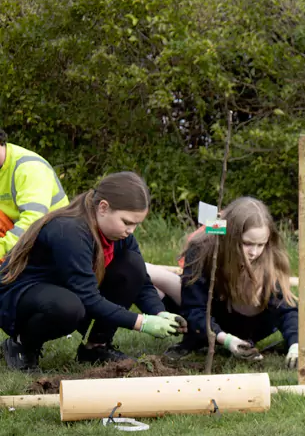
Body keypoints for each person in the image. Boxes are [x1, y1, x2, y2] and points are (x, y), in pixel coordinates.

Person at [0, 171, 185, 371]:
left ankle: (96, 348)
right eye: (127, 222)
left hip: (64, 289)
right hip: (21, 295)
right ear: (103, 207)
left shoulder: (118, 234)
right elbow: (88, 297)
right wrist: (141, 322)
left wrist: (159, 312)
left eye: (136, 224)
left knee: (131, 266)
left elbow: (142, 281)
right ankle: (22, 345)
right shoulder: (71, 232)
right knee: (69, 308)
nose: (131, 231)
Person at [166, 197, 298, 367]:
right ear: (231, 237)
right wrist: (226, 340)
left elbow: (286, 307)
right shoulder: (202, 250)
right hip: (213, 316)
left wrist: (295, 344)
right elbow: (195, 308)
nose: (254, 252)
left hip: (252, 325)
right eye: (247, 243)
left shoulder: (269, 257)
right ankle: (199, 339)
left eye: (261, 244)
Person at [0, 127, 70, 260]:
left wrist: (2, 249)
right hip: (15, 236)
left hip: (50, 239)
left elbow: (33, 223)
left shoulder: (30, 168)